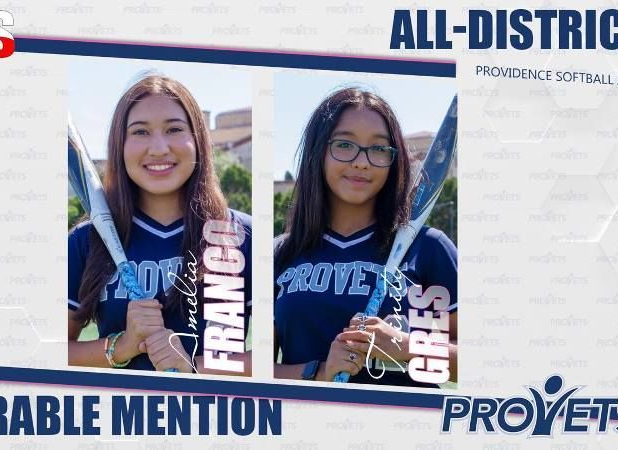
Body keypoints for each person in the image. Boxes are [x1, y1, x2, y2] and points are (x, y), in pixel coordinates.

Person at [68, 75, 252, 374]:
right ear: (120, 145)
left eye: (174, 129)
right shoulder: (85, 241)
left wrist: (194, 367)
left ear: (198, 140)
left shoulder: (244, 236)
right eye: (140, 131)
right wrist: (123, 346)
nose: (158, 148)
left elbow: (276, 360)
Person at [273, 87, 457, 386]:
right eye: (344, 145)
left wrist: (407, 347)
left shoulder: (428, 247)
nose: (362, 161)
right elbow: (257, 370)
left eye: (379, 148)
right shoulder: (280, 254)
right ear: (318, 151)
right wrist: (318, 372)